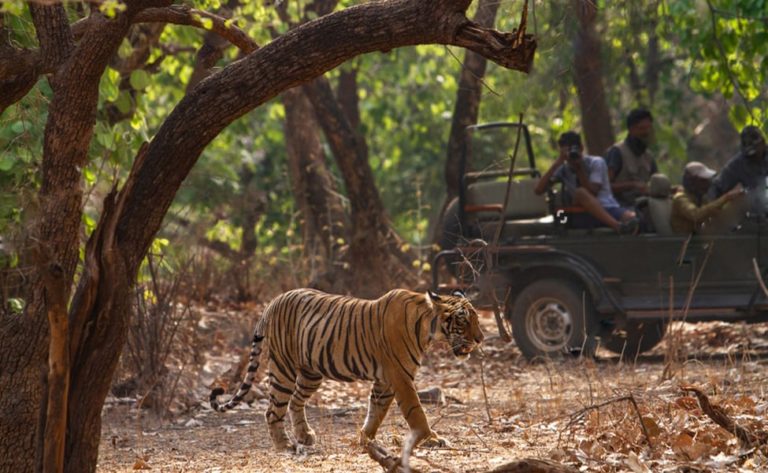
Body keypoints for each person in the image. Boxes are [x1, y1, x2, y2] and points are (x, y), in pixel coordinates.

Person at [535, 131, 638, 234]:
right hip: (581, 214)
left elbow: (593, 192)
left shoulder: (596, 162)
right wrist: (557, 163)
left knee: (632, 218)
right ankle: (617, 226)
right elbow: (538, 190)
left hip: (606, 207)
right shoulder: (563, 169)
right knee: (580, 192)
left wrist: (579, 168)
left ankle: (625, 228)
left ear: (581, 148)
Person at [605, 108, 659, 207]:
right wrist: (632, 185)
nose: (646, 132)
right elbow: (606, 186)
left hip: (647, 204)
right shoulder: (617, 152)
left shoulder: (648, 156)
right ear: (631, 129)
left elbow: (656, 182)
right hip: (622, 206)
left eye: (648, 128)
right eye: (642, 128)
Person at [671, 162, 744, 234]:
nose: (707, 183)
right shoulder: (680, 199)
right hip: (683, 243)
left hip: (696, 240)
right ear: (692, 182)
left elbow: (713, 211)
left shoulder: (698, 198)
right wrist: (727, 197)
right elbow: (696, 215)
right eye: (703, 181)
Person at [710, 126, 768, 203]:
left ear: (762, 143)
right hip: (758, 209)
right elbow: (717, 187)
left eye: (754, 153)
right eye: (749, 155)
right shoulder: (739, 163)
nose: (752, 157)